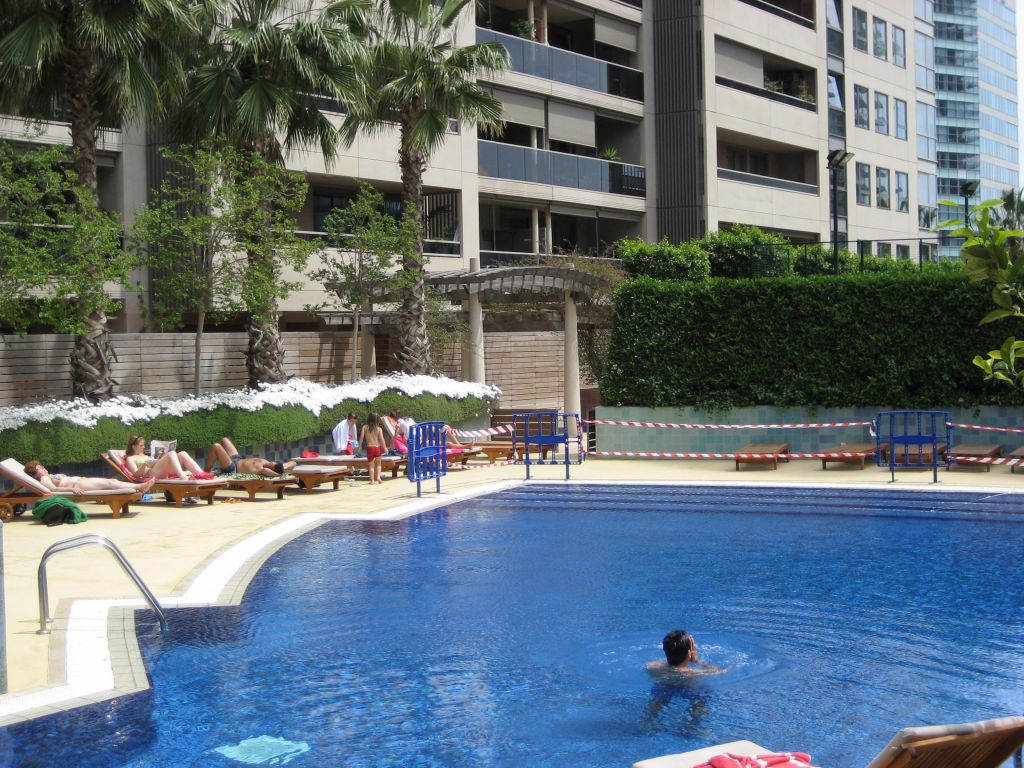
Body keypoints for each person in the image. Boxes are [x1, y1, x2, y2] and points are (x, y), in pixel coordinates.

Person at [24, 460, 156, 495]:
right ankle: (140, 486)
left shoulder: (49, 476)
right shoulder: (44, 479)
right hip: (78, 485)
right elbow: (53, 490)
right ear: (35, 474)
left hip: (81, 481)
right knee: (110, 484)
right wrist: (72, 490)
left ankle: (139, 487)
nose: (43, 468)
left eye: (42, 466)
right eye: (39, 469)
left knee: (112, 481)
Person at [124, 436, 206, 481]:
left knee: (182, 454)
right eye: (141, 445)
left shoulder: (144, 455)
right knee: (171, 453)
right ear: (133, 446)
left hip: (159, 470)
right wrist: (145, 464)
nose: (144, 447)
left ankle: (203, 475)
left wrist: (159, 458)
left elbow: (155, 464)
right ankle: (183, 476)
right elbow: (136, 474)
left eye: (143, 445)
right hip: (151, 474)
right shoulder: (130, 458)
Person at [205, 437, 296, 477]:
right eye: (274, 462)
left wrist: (279, 475)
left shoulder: (262, 470)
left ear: (272, 469)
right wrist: (284, 467)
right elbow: (293, 462)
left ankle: (206, 472)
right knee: (225, 440)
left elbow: (266, 471)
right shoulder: (273, 464)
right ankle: (218, 459)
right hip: (237, 458)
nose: (273, 462)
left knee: (216, 446)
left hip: (232, 467)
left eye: (273, 464)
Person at [646, 630, 721, 674]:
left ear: (664, 650)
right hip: (688, 689)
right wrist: (697, 661)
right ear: (689, 654)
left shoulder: (653, 667)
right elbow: (719, 670)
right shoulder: (693, 673)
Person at [360, 412, 387, 484]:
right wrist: (385, 448)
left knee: (371, 466)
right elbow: (382, 440)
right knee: (379, 464)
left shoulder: (365, 427)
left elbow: (361, 438)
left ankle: (372, 480)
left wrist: (359, 446)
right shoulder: (379, 429)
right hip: (377, 448)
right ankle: (378, 477)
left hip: (370, 448)